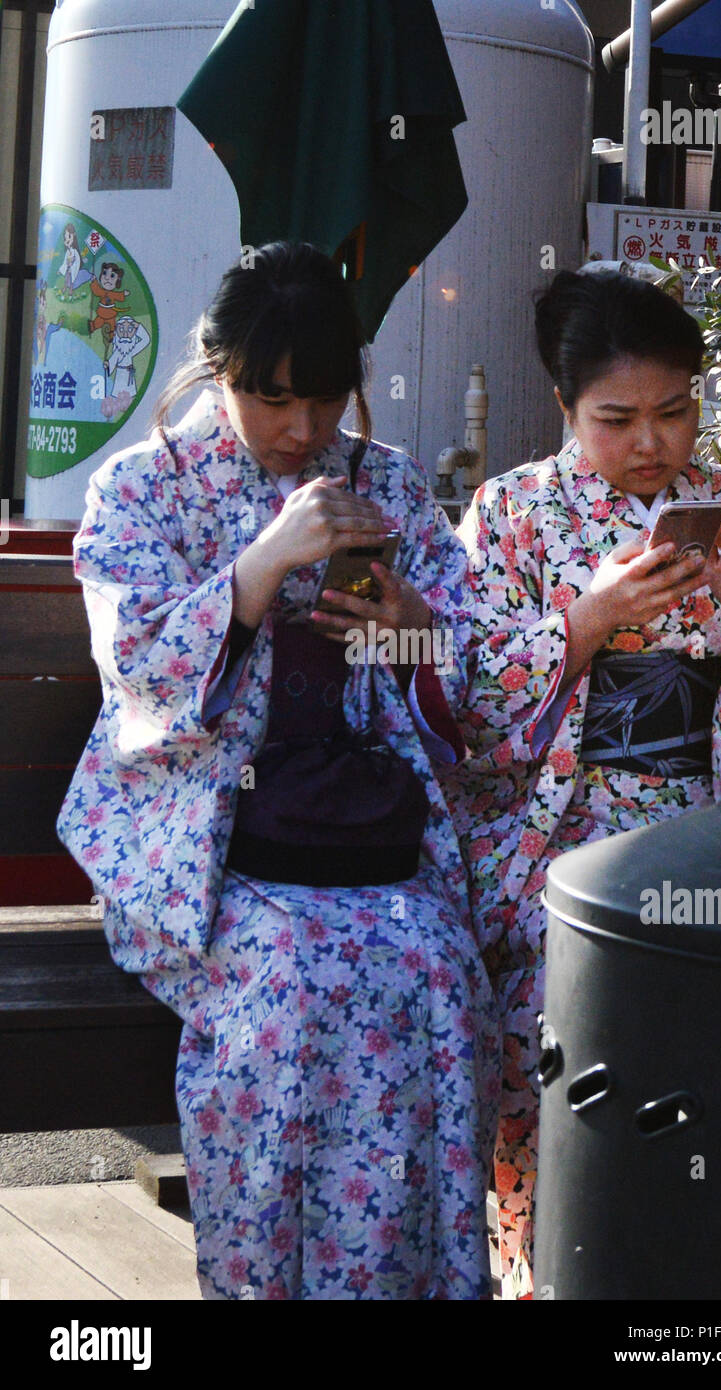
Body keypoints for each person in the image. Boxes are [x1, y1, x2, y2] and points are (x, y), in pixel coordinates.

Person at [57, 241, 501, 1300]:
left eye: (326, 398)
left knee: (440, 976)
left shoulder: (383, 481)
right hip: (203, 832)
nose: (303, 431)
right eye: (271, 399)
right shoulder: (142, 487)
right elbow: (141, 679)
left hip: (363, 830)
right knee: (287, 992)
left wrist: (410, 626)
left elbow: (469, 682)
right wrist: (259, 567)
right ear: (218, 372)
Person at [443, 268, 721, 1298]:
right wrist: (588, 617)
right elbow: (469, 706)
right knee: (553, 1055)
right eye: (617, 418)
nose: (651, 442)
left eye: (675, 411)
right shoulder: (510, 510)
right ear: (563, 410)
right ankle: (555, 1277)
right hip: (565, 841)